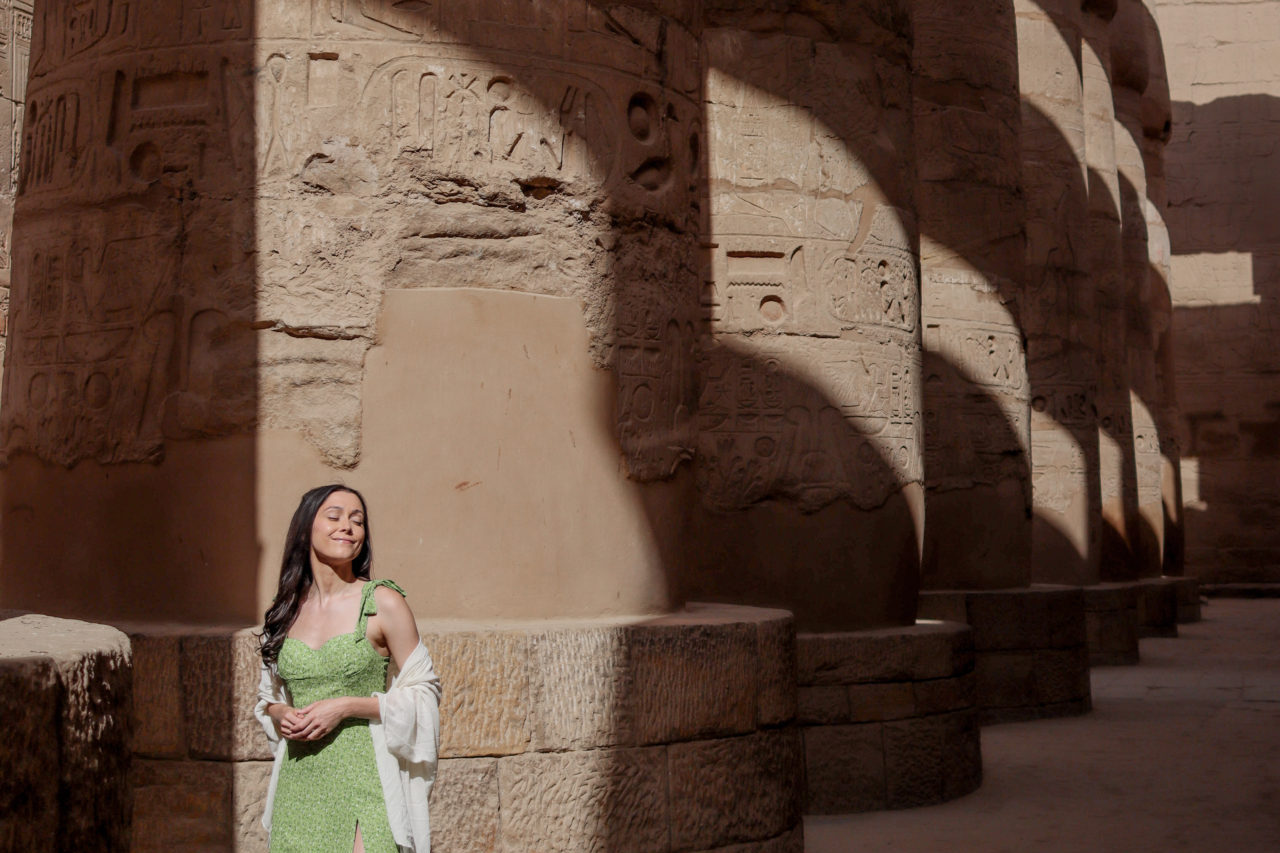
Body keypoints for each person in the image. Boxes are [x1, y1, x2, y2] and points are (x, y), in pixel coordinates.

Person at [254, 484, 441, 853]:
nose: (349, 527)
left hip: (366, 779)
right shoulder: (285, 609)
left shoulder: (382, 602)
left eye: (358, 521)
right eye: (335, 516)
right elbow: (267, 698)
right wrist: (283, 713)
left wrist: (346, 707)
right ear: (307, 527)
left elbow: (425, 691)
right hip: (300, 782)